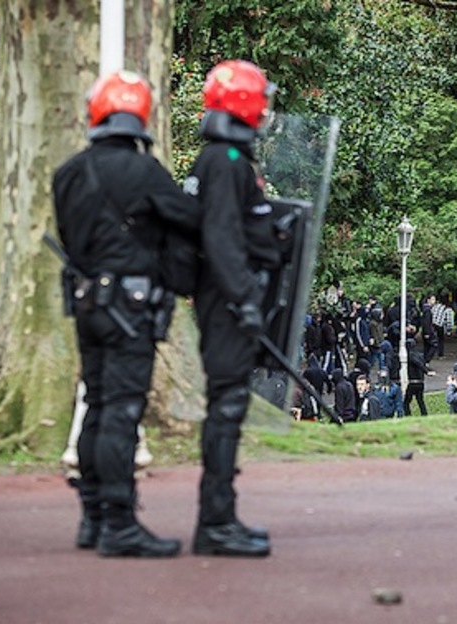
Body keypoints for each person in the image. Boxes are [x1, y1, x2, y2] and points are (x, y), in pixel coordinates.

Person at [52, 71, 202, 557]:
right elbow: (190, 220)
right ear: (140, 116)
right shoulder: (146, 171)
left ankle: (93, 518)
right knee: (122, 408)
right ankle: (119, 523)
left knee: (97, 401)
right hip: (130, 309)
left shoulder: (69, 172)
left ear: (96, 112)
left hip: (87, 304)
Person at [183, 60, 281, 557]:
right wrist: (244, 300)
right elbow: (221, 238)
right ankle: (215, 522)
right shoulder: (225, 161)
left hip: (227, 300)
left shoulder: (224, 158)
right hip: (227, 303)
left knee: (229, 406)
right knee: (226, 407)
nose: (265, 107)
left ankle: (220, 516)